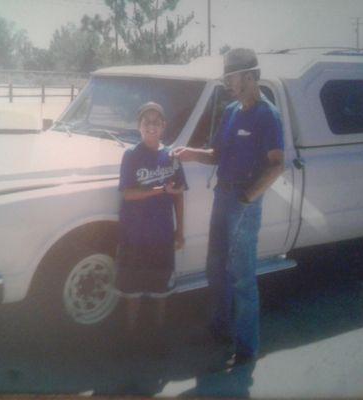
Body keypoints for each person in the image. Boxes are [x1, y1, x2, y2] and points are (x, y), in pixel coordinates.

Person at [172, 48, 285, 367]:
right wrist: (192, 153)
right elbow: (216, 154)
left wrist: (249, 197)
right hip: (222, 197)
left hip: (243, 204)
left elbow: (277, 166)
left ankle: (247, 349)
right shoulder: (231, 111)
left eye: (231, 77)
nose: (228, 83)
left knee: (242, 277)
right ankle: (220, 329)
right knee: (215, 267)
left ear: (250, 76)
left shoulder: (267, 114)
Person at [116, 101, 187, 335]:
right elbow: (128, 194)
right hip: (134, 235)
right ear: (139, 126)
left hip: (162, 235)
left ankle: (158, 334)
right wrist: (159, 190)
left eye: (157, 122)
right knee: (132, 291)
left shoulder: (172, 156)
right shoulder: (131, 155)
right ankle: (129, 334)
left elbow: (178, 196)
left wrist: (180, 231)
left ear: (164, 126)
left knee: (160, 290)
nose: (151, 126)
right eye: (147, 122)